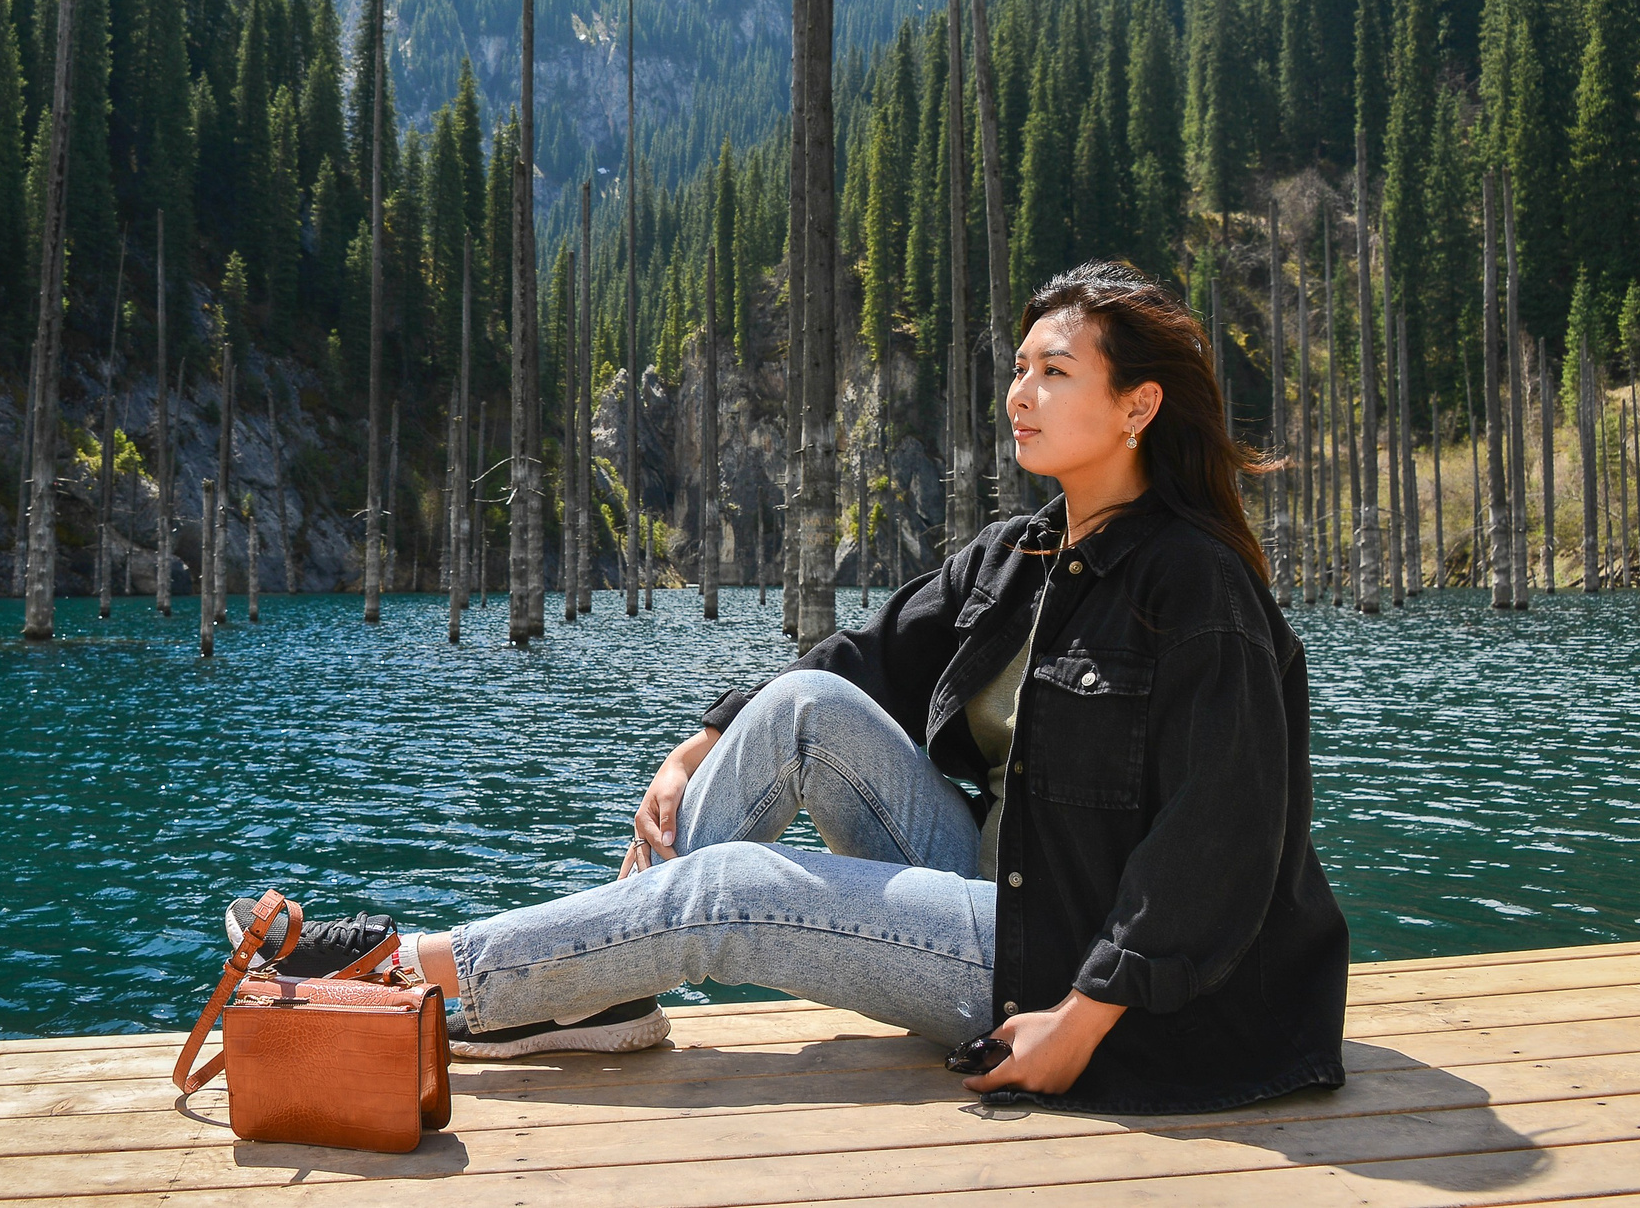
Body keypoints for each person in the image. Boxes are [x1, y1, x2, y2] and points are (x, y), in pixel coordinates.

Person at [237, 260, 1348, 1112]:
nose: (1020, 392)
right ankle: (600, 987)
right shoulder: (1026, 551)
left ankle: (409, 969)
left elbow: (1223, 834)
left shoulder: (1194, 584)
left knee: (732, 891)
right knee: (802, 710)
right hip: (1003, 890)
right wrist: (698, 742)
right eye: (1018, 367)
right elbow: (858, 657)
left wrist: (1082, 1018)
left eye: (1054, 372)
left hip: (1082, 971)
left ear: (1139, 406)